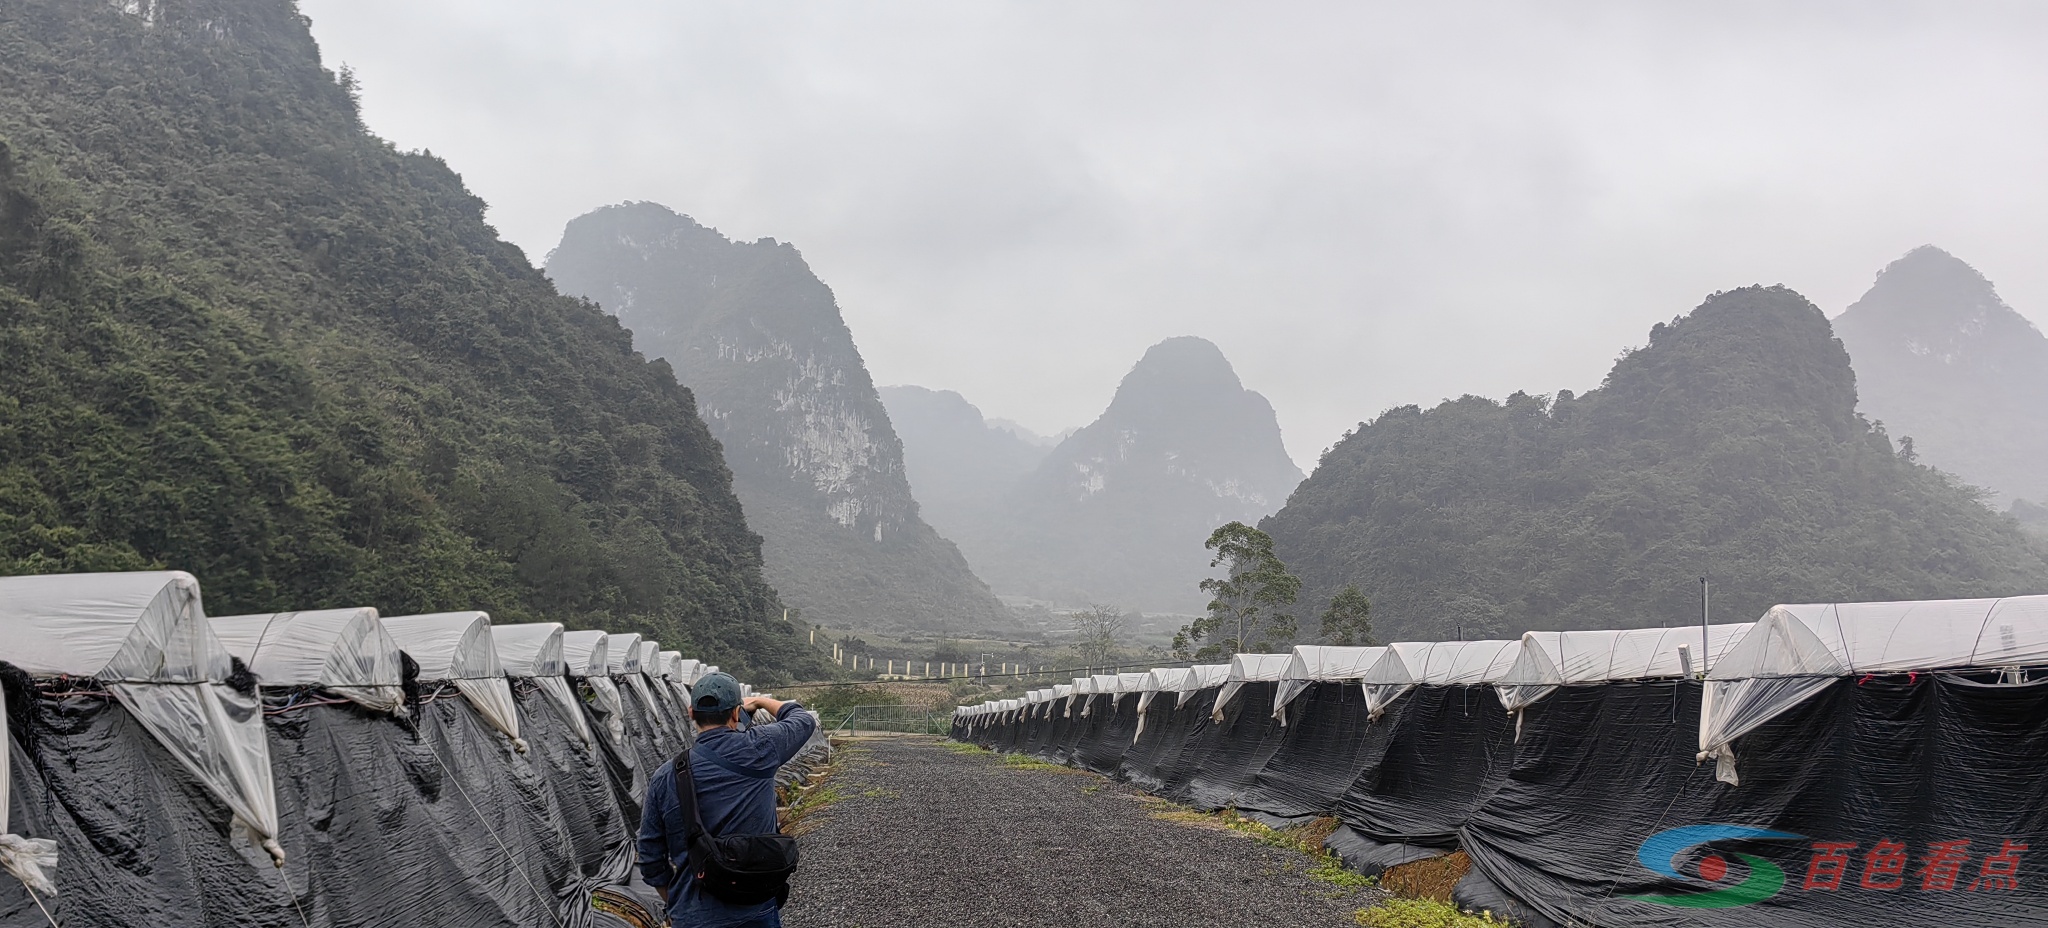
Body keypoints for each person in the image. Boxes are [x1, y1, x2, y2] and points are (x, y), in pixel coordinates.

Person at [638, 672, 818, 927]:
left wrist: (678, 901)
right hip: (755, 908)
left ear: (690, 713)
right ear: (736, 713)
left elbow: (650, 857)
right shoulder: (762, 748)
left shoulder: (666, 775)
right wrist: (759, 701)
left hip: (693, 914)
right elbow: (801, 718)